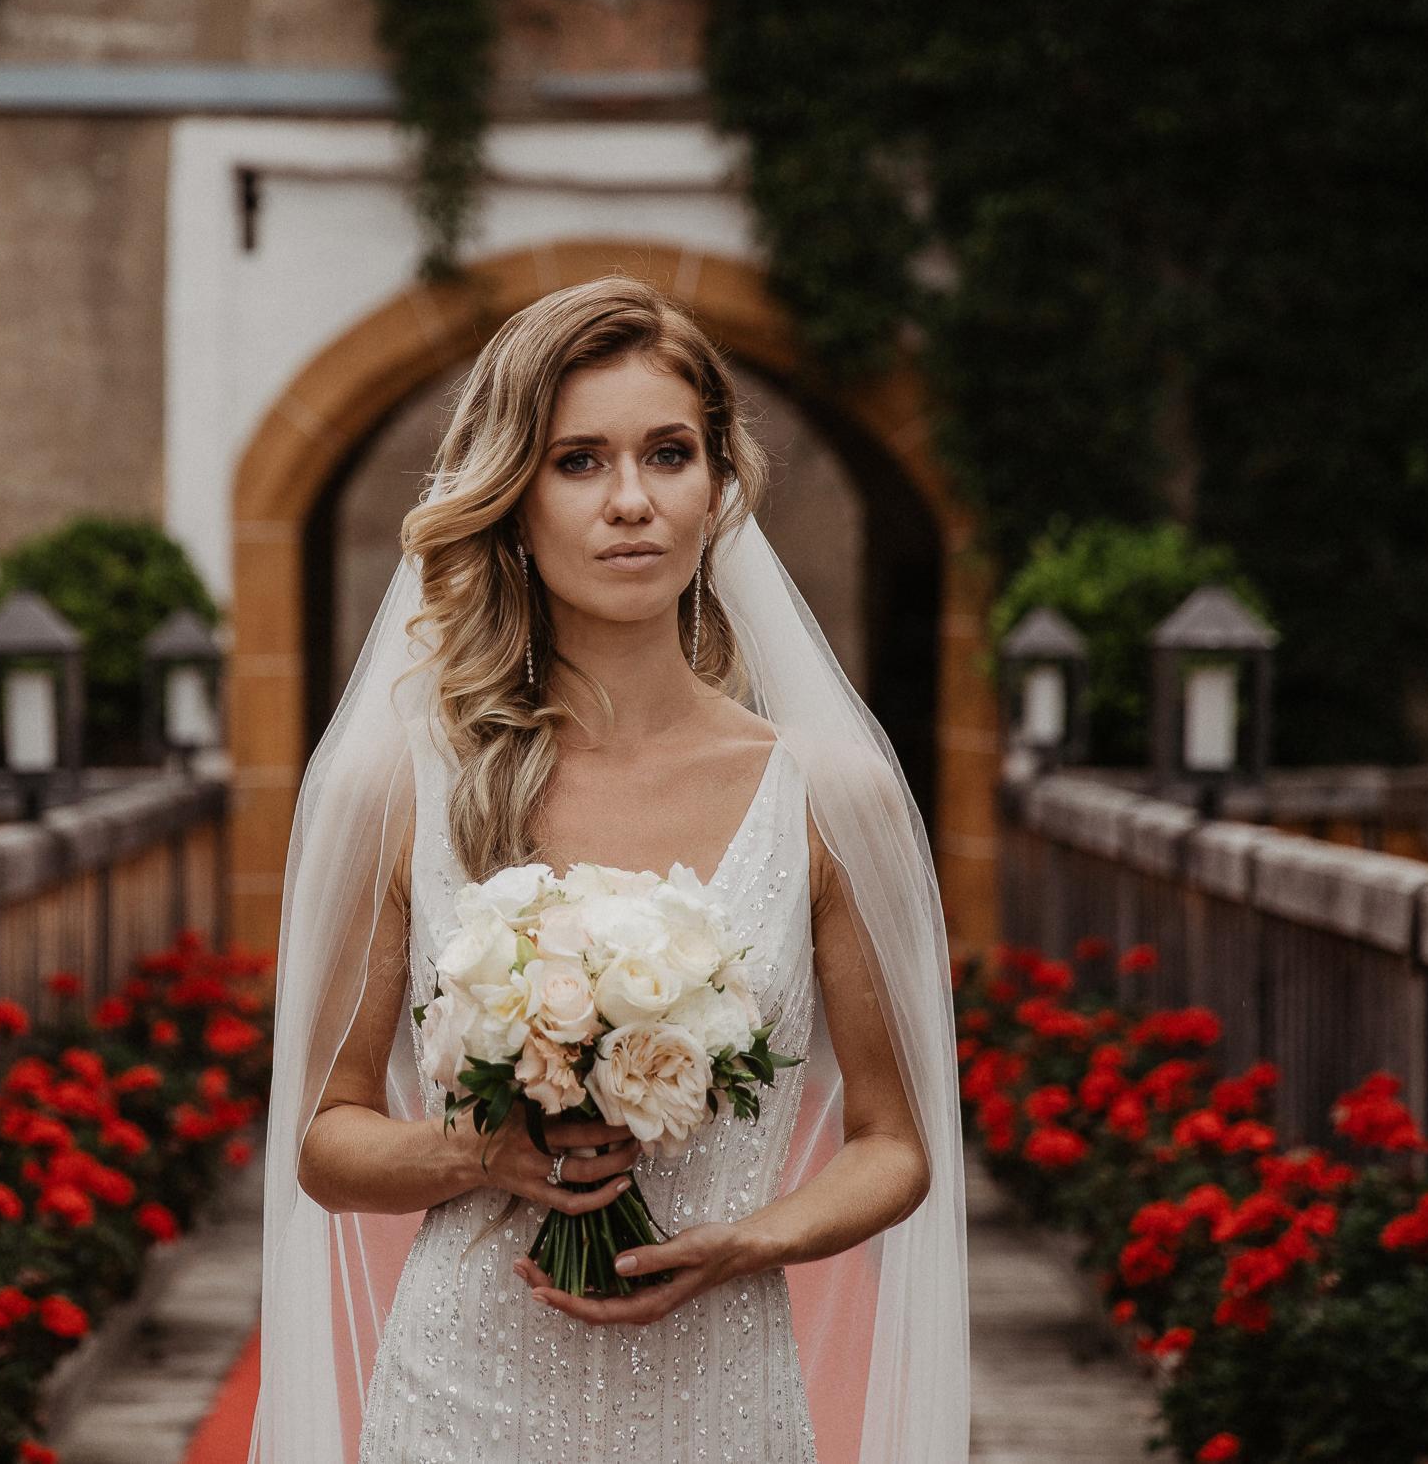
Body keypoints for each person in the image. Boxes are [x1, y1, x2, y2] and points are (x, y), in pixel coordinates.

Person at [248, 275, 970, 1463]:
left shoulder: (827, 793)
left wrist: (750, 1240)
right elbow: (328, 1137)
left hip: (720, 1395)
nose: (631, 500)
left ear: (717, 485)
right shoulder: (404, 788)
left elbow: (893, 1143)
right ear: (513, 499)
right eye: (577, 461)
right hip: (464, 1400)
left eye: (668, 454)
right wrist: (481, 1150)